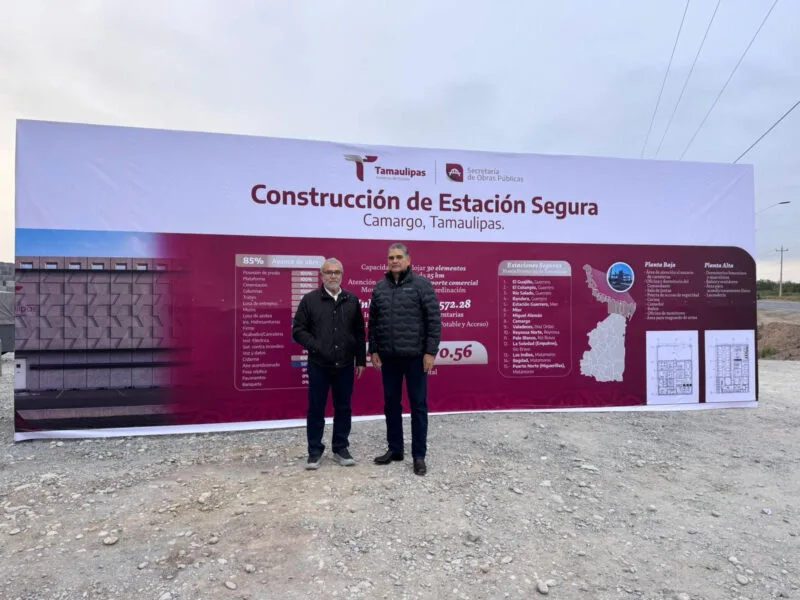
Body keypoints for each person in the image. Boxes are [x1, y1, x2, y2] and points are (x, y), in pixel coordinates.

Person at [368, 243, 441, 476]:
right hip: (389, 358)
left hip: (415, 358)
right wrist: (373, 349)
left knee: (418, 406)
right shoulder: (380, 288)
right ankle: (395, 449)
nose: (395, 261)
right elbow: (374, 322)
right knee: (391, 404)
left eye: (399, 257)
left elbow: (434, 320)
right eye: (391, 257)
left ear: (408, 261)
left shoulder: (422, 285)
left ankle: (419, 456)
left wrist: (430, 352)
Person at [292, 258, 366, 470]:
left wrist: (361, 359)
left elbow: (359, 332)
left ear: (342, 275)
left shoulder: (351, 300)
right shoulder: (310, 300)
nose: (333, 276)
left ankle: (340, 448)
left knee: (344, 407)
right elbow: (298, 330)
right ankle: (314, 451)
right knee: (316, 408)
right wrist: (316, 346)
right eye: (328, 272)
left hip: (345, 365)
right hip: (319, 365)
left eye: (336, 272)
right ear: (321, 275)